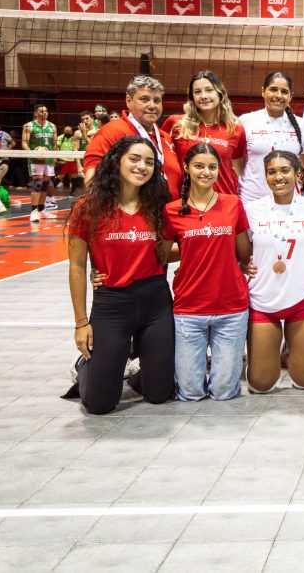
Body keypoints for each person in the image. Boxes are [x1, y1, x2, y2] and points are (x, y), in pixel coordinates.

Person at [65, 135, 174, 414]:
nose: (142, 167)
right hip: (112, 304)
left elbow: (163, 255)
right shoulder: (89, 207)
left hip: (155, 301)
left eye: (149, 162)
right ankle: (88, 369)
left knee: (160, 394)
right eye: (134, 159)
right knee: (100, 405)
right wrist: (80, 323)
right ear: (117, 162)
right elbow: (77, 266)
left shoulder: (159, 207)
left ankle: (141, 369)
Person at [164, 143, 251, 401]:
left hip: (231, 307)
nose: (206, 172)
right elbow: (161, 255)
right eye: (199, 166)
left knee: (224, 392)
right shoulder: (172, 210)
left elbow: (243, 254)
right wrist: (193, 247)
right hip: (189, 309)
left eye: (212, 167)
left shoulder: (233, 204)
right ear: (187, 169)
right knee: (190, 393)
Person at [244, 151, 304, 393]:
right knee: (260, 385)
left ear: (297, 174)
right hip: (263, 298)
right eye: (272, 172)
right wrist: (242, 264)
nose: (278, 177)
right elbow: (242, 250)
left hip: (300, 297)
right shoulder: (252, 209)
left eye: (285, 170)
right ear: (265, 176)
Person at [84, 75, 182, 200]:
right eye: (144, 99)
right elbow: (92, 182)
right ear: (129, 101)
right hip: (131, 217)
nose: (152, 106)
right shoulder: (111, 132)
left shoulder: (166, 138)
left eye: (157, 101)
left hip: (168, 215)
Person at [164, 70, 246, 196]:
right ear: (192, 97)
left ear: (220, 93)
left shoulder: (235, 130)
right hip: (187, 201)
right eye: (197, 92)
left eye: (209, 90)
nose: (203, 96)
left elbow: (239, 169)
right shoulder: (176, 124)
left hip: (224, 199)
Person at [238, 71, 304, 205]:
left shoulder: (302, 125)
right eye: (273, 89)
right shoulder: (246, 121)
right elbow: (237, 164)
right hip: (251, 200)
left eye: (284, 91)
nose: (278, 95)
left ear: (290, 96)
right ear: (263, 91)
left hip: (289, 202)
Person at [22, 104, 58, 222]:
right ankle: (33, 211)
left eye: (46, 111)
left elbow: (54, 144)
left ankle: (42, 209)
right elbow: (24, 143)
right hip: (35, 159)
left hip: (48, 158)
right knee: (37, 184)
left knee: (44, 186)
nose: (45, 113)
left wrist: (54, 157)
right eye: (42, 111)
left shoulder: (52, 126)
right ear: (36, 113)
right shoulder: (29, 126)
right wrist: (32, 154)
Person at [55, 125, 84, 196]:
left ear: (71, 132)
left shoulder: (73, 138)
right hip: (64, 159)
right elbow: (57, 147)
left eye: (69, 131)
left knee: (74, 176)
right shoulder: (60, 138)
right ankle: (51, 189)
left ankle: (73, 192)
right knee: (61, 176)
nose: (67, 132)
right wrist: (58, 157)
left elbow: (76, 147)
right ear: (63, 131)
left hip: (73, 159)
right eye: (66, 131)